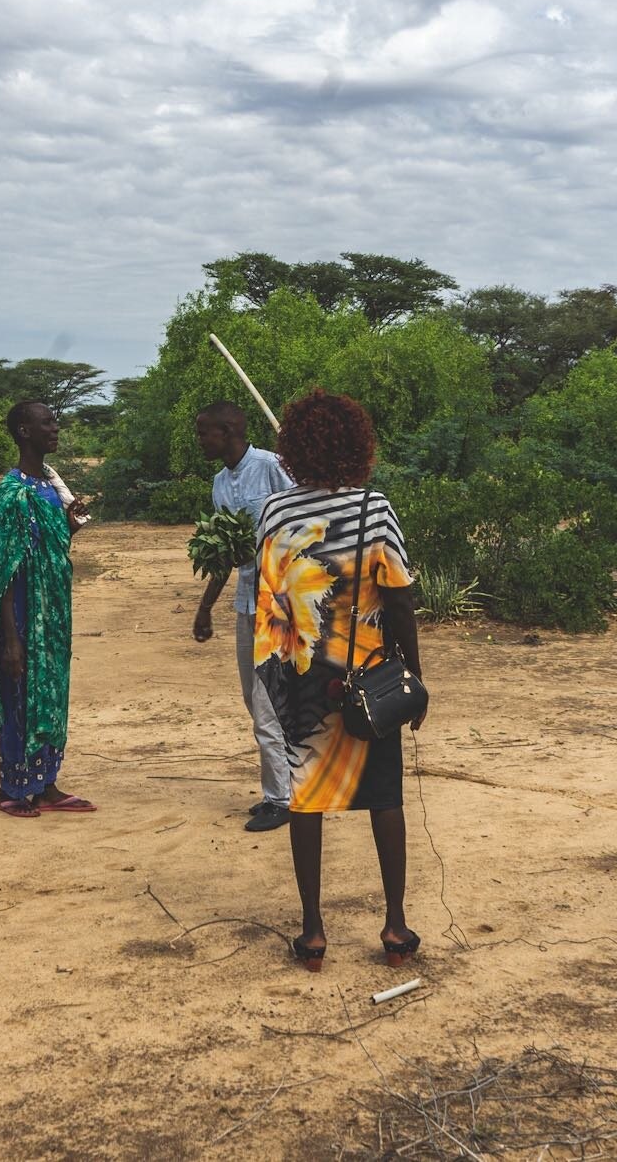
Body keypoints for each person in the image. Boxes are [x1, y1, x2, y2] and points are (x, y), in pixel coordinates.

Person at [252, 388, 424, 971]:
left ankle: (314, 933)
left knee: (305, 798)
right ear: (358, 444)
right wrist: (414, 675)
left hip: (304, 677)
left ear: (292, 450)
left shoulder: (276, 512)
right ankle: (395, 928)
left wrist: (278, 688)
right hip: (370, 676)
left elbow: (271, 604)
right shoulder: (374, 509)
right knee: (384, 797)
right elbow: (399, 598)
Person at [0, 401, 95, 818]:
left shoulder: (48, 488)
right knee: (19, 695)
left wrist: (68, 524)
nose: (56, 428)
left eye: (55, 421)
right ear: (23, 431)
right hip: (21, 616)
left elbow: (46, 549)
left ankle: (46, 785)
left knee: (51, 694)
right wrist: (11, 639)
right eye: (47, 422)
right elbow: (0, 571)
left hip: (53, 614)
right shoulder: (11, 493)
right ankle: (11, 789)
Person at [191, 400, 297, 832]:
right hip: (245, 604)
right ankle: (285, 784)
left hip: (282, 603)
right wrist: (204, 607)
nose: (200, 440)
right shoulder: (219, 482)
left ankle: (281, 798)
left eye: (204, 432)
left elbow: (309, 514)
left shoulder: (273, 467)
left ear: (230, 429)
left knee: (268, 702)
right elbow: (226, 552)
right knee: (252, 697)